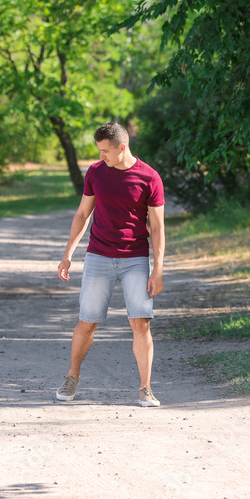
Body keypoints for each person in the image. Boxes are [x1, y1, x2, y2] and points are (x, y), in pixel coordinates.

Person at [56, 122, 165, 407]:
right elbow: (82, 214)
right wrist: (68, 253)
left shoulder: (149, 177)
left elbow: (157, 226)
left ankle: (145, 388)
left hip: (135, 259)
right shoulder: (95, 173)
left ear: (122, 147)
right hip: (98, 256)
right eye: (99, 151)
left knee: (140, 323)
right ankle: (72, 376)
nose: (100, 156)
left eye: (105, 151)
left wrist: (158, 268)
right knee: (86, 322)